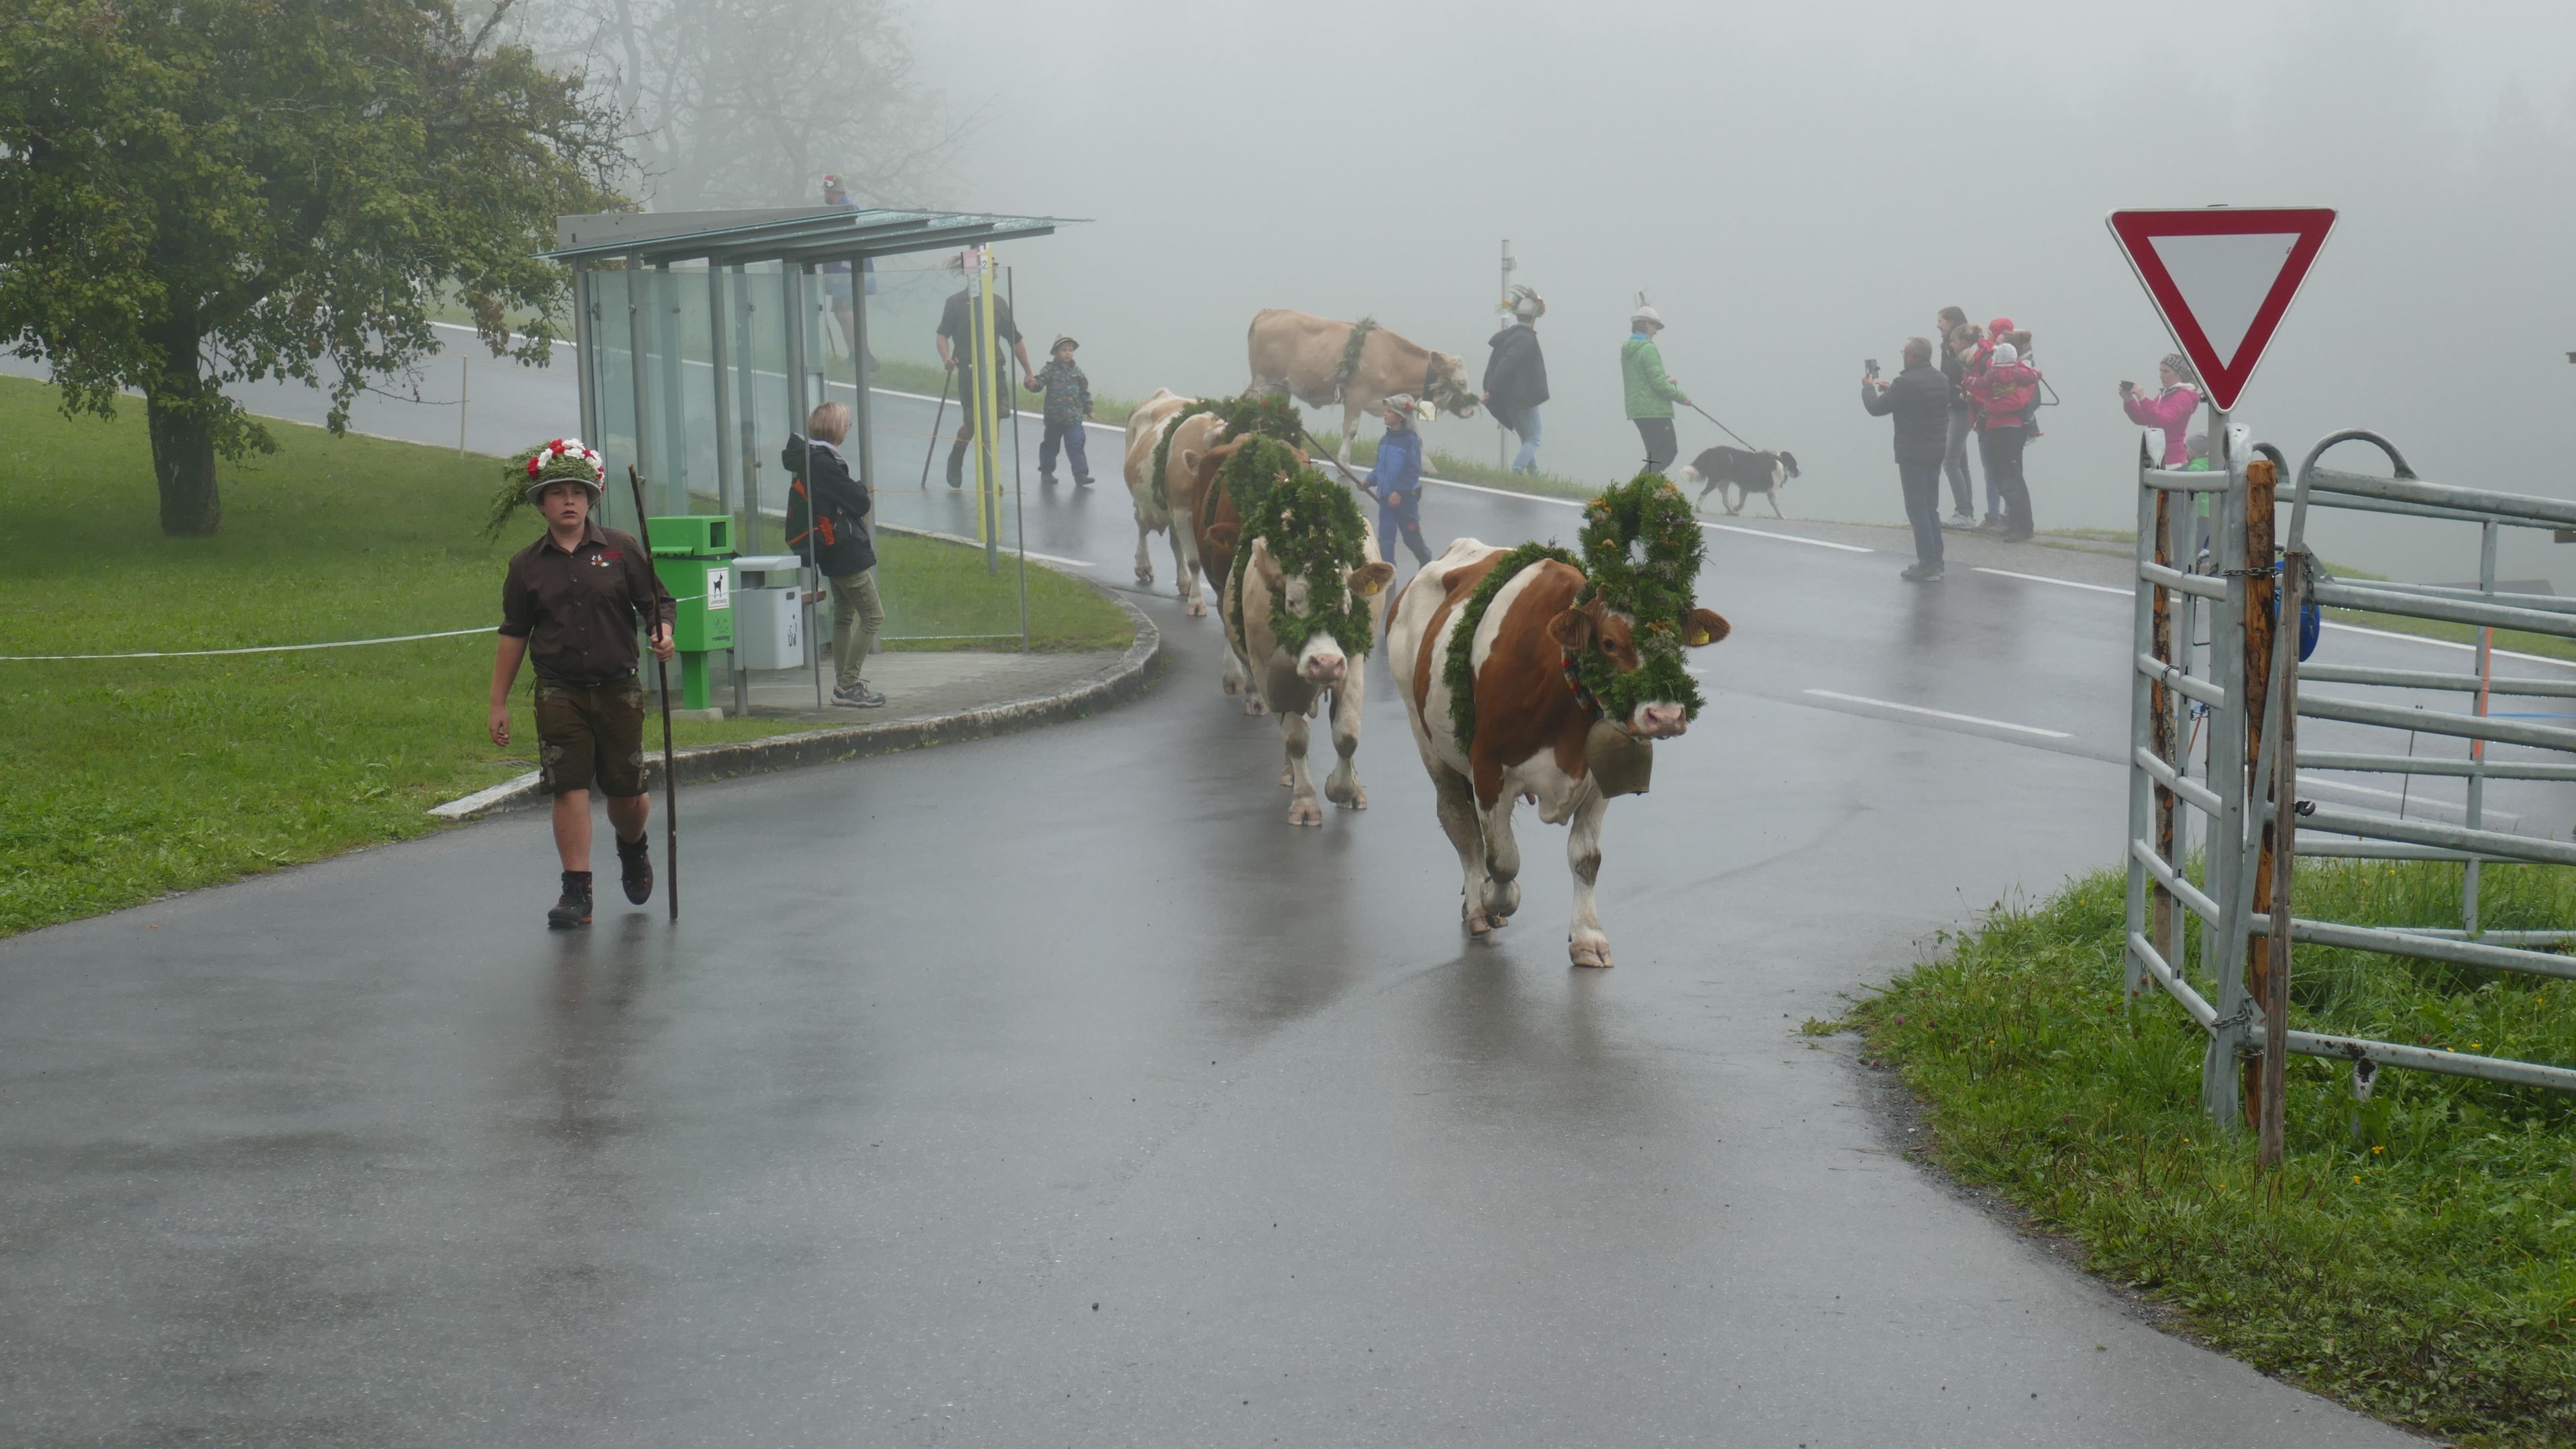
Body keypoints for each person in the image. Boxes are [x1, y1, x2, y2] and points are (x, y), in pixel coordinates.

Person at [488, 439, 676, 929]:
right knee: (568, 785)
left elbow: (657, 602)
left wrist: (662, 631)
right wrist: (498, 702)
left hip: (618, 688)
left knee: (625, 793)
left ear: (591, 498)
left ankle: (632, 846)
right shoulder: (526, 565)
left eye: (577, 492)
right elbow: (514, 632)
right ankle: (577, 891)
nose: (568, 501)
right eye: (557, 493)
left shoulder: (620, 548)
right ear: (541, 504)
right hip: (559, 690)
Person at [782, 402, 884, 708]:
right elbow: (859, 502)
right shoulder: (823, 462)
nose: (847, 429)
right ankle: (848, 684)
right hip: (844, 550)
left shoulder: (811, 459)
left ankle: (843, 685)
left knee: (844, 615)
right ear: (836, 429)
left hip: (831, 549)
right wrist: (859, 489)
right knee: (873, 616)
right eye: (846, 424)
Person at [934, 262, 1037, 489]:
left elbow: (1015, 339)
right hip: (968, 368)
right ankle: (956, 456)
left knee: (994, 422)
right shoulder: (955, 302)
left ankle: (989, 476)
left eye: (996, 270)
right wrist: (946, 358)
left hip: (995, 369)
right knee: (973, 423)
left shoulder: (998, 303)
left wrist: (1029, 372)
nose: (996, 274)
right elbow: (942, 334)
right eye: (992, 269)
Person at [1862, 337, 1955, 581]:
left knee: (1917, 509)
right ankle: (1937, 560)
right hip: (1935, 449)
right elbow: (1918, 399)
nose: (1903, 355)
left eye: (1904, 352)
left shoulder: (1905, 383)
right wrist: (1893, 390)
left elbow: (1876, 408)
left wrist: (1868, 388)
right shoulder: (1940, 378)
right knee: (1930, 507)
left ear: (1912, 356)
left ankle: (1928, 563)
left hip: (1913, 451)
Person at [1965, 341, 2037, 540]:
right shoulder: (2020, 373)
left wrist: (1969, 380)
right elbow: (2033, 378)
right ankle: (2017, 524)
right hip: (2013, 429)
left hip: (2001, 429)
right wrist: (2036, 373)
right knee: (2010, 476)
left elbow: (1979, 385)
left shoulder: (1993, 374)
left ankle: (2024, 527)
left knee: (2009, 478)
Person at [1482, 284, 1550, 474]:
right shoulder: (1524, 338)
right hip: (1523, 398)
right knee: (1535, 438)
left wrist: (1493, 390)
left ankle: (1534, 476)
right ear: (1534, 318)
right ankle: (1517, 471)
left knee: (1527, 439)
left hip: (1510, 398)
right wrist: (1492, 390)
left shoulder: (1510, 336)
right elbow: (1507, 363)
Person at [1621, 302, 1690, 472]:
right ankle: (1640, 485)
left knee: (1653, 456)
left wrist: (1665, 381)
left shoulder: (1628, 350)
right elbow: (1658, 384)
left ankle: (1643, 487)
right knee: (1669, 452)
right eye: (1655, 326)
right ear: (1646, 324)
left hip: (1638, 411)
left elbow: (1643, 379)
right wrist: (1682, 397)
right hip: (1654, 410)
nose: (1656, 331)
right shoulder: (1648, 349)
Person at [817, 175, 876, 374]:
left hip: (848, 273)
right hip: (839, 274)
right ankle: (854, 354)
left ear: (832, 191)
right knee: (840, 314)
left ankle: (863, 355)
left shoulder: (849, 209)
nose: (824, 195)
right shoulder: (837, 210)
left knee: (846, 313)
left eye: (826, 191)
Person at [1368, 394, 1430, 568]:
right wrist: (1369, 481)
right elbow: (1380, 468)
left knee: (1411, 538)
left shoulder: (1410, 441)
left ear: (1401, 417)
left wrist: (1399, 492)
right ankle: (1389, 572)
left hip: (1405, 501)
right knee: (1385, 540)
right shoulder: (1385, 440)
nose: (1385, 414)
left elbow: (1413, 471)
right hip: (1386, 501)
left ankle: (1426, 562)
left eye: (1389, 411)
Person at [1026, 335, 1095, 486]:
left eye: (1070, 350)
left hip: (1074, 419)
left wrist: (1089, 408)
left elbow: (1084, 392)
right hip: (1054, 418)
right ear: (1056, 352)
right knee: (1051, 446)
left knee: (1076, 444)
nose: (1068, 353)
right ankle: (1046, 472)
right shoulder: (1049, 369)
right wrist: (1032, 384)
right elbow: (1039, 383)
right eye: (1064, 350)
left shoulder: (1078, 372)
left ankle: (1081, 475)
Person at [1935, 307, 1979, 526]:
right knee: (1960, 463)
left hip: (1961, 408)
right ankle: (1965, 512)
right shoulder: (1948, 348)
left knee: (1950, 461)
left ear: (1952, 322)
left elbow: (1953, 377)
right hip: (1953, 408)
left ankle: (1964, 512)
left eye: (1941, 321)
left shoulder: (1962, 351)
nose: (1938, 325)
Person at [2121, 354, 2203, 468]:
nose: (2161, 376)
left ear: (2179, 374)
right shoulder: (2166, 394)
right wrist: (2129, 400)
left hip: (2173, 462)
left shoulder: (2183, 397)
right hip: (2159, 459)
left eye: (2166, 372)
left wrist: (2143, 398)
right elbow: (2144, 419)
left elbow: (2163, 421)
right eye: (2160, 371)